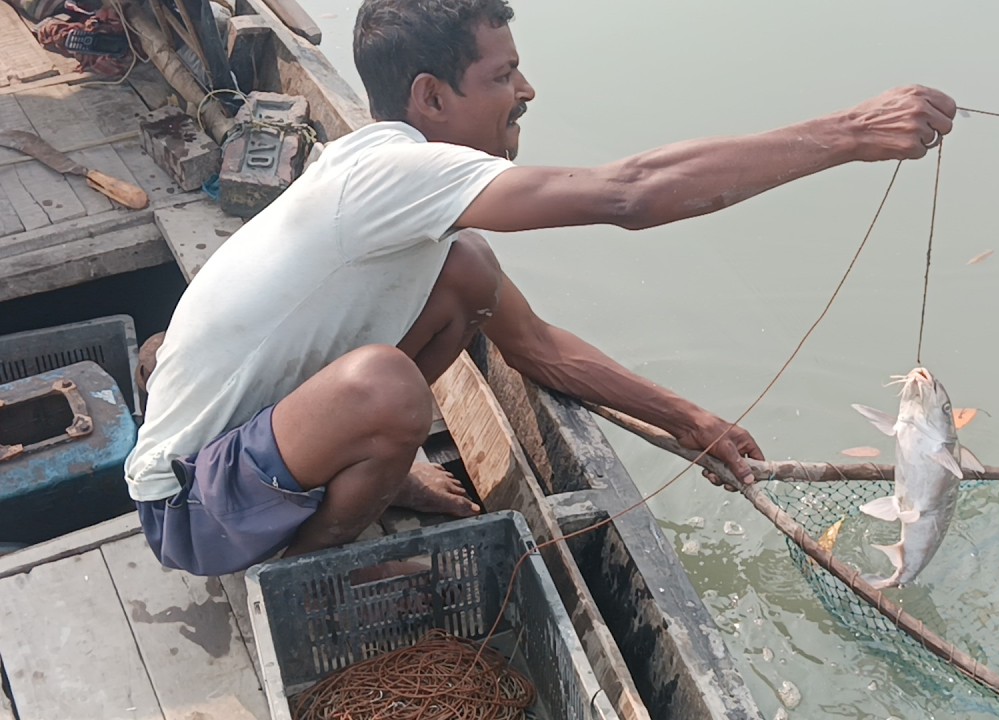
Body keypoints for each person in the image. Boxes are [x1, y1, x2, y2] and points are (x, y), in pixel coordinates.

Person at [123, 0, 956, 577]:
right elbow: (630, 194)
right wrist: (852, 133)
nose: (526, 92)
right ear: (431, 96)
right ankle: (312, 565)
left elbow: (540, 349)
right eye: (503, 76)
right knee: (386, 385)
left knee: (467, 275)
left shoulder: (386, 176)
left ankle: (374, 466)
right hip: (191, 510)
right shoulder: (394, 175)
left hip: (249, 453)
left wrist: (691, 423)